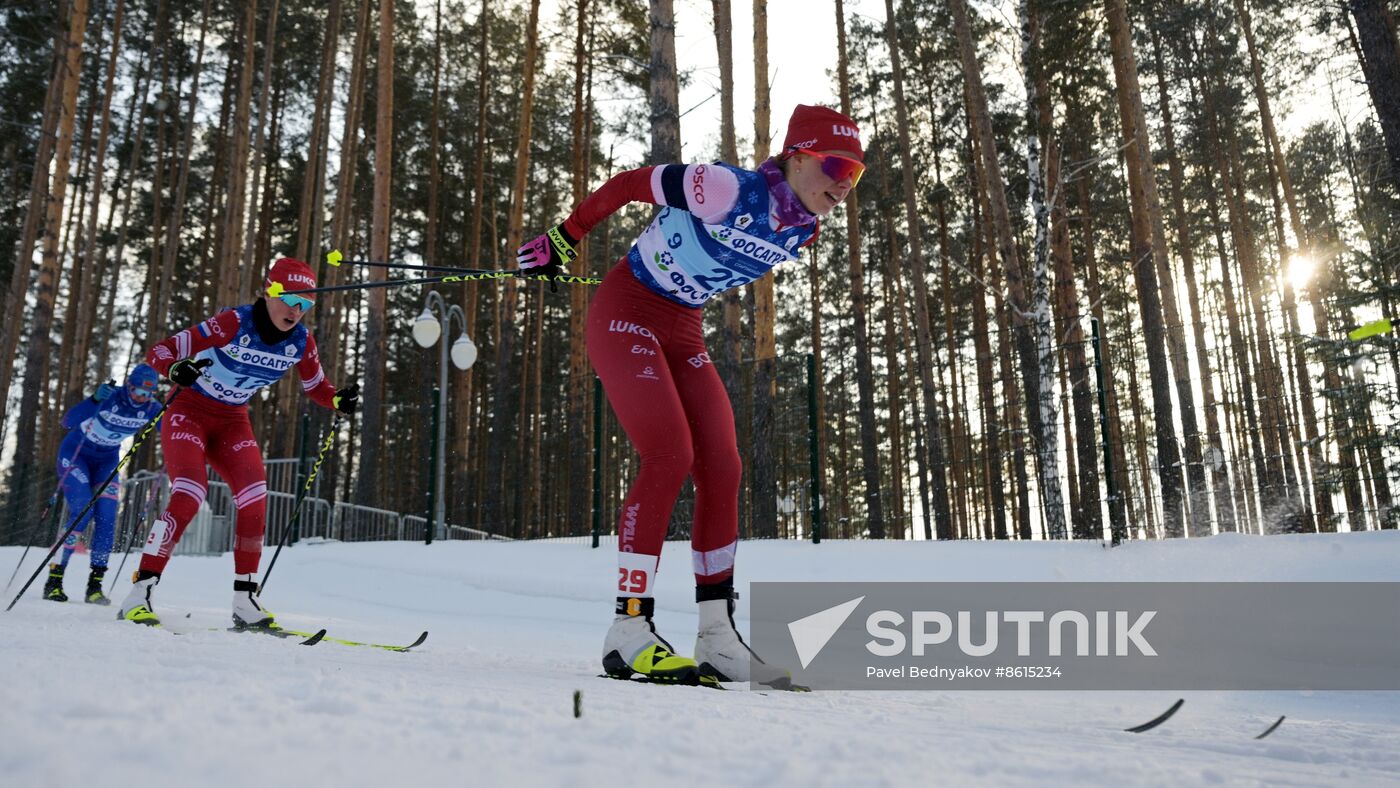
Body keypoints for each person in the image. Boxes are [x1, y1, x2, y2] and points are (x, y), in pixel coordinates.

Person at [516, 104, 864, 686]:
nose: (843, 184)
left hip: (681, 328)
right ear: (797, 156)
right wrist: (566, 236)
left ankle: (717, 636)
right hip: (626, 311)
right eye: (835, 166)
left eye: (856, 174)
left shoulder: (805, 225)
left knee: (723, 466)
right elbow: (632, 184)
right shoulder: (725, 188)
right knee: (669, 454)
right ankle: (628, 631)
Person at [117, 258, 359, 628]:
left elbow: (316, 387)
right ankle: (141, 591)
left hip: (232, 421)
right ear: (270, 292)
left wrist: (337, 399)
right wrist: (174, 369)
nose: (297, 311)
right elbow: (161, 351)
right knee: (189, 493)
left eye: (306, 304)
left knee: (255, 497)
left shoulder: (301, 341)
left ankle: (245, 600)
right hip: (190, 411)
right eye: (291, 300)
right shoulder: (234, 322)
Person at [42, 365, 163, 605]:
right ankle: (54, 580)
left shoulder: (151, 409)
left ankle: (94, 586)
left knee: (107, 518)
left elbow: (171, 430)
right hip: (76, 456)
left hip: (106, 461)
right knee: (82, 511)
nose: (141, 398)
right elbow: (68, 422)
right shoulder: (111, 397)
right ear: (128, 386)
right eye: (137, 391)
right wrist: (94, 399)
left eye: (147, 394)